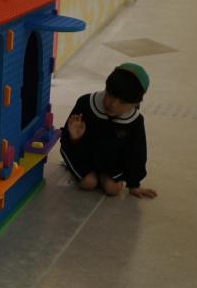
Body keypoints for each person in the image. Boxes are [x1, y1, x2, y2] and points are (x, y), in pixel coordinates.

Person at [59, 63, 158, 199]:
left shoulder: (135, 121)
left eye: (122, 102)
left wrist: (134, 184)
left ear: (135, 104)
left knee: (113, 188)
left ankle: (102, 176)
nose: (113, 104)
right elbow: (65, 142)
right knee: (88, 183)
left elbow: (136, 153)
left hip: (111, 163)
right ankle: (89, 175)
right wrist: (74, 138)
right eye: (111, 95)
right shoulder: (85, 104)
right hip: (83, 157)